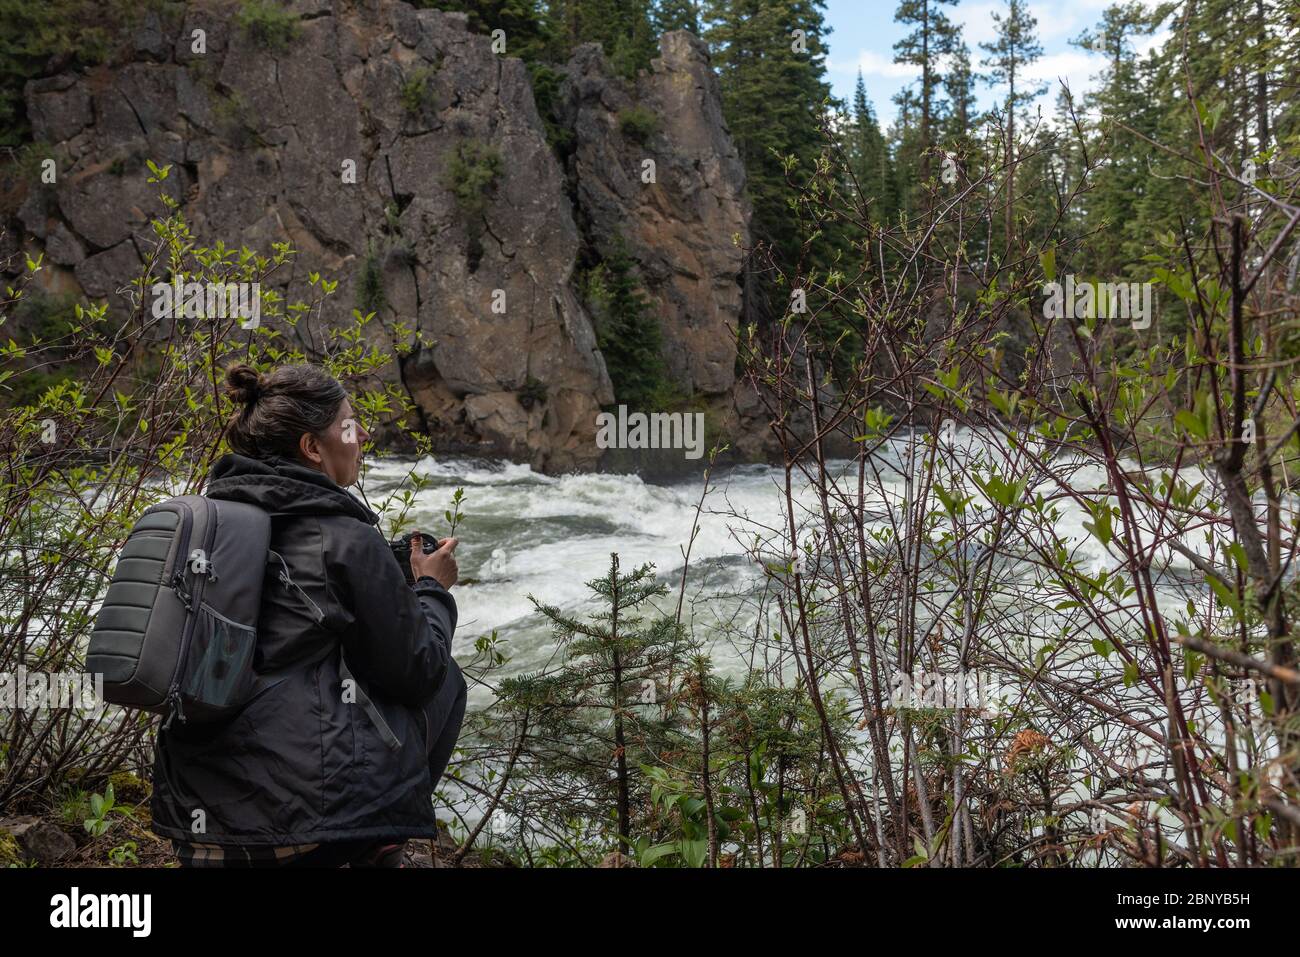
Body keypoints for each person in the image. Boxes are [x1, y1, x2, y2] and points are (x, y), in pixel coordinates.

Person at [151, 363, 467, 868]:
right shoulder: (340, 534)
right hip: (297, 832)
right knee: (445, 676)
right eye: (348, 425)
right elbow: (417, 671)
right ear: (312, 448)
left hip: (193, 816)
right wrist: (431, 588)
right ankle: (373, 844)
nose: (362, 433)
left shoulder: (212, 524)